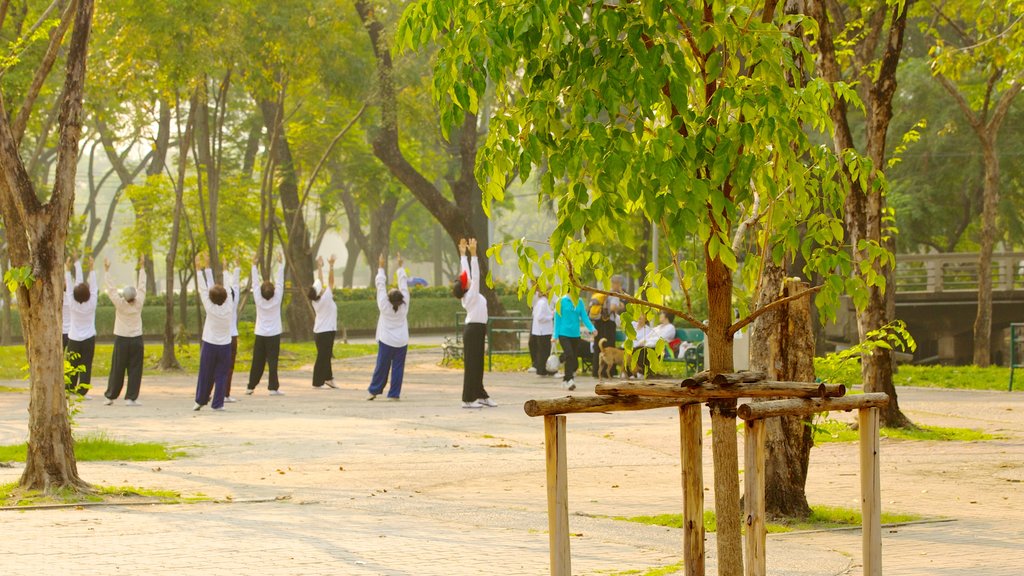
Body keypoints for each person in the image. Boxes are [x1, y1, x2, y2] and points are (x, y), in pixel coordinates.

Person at [453, 238, 496, 408]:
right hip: (473, 330)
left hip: (478, 329)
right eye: (466, 281)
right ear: (465, 287)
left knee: (478, 364)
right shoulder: (471, 295)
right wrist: (474, 255)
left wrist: (463, 254)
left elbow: (467, 274)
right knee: (472, 365)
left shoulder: (468, 293)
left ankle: (480, 394)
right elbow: (475, 276)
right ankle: (468, 399)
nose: (468, 279)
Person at [102, 257, 147, 406]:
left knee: (117, 368)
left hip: (121, 339)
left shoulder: (120, 304)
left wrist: (107, 271)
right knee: (135, 369)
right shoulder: (139, 302)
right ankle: (131, 397)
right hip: (136, 339)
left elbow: (111, 290)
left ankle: (110, 396)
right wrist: (142, 268)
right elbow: (142, 286)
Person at [194, 253, 235, 411]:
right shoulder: (229, 306)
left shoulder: (210, 308)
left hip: (210, 343)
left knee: (206, 372)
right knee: (222, 375)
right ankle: (218, 404)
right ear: (226, 297)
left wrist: (199, 269)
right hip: (224, 345)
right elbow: (228, 288)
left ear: (211, 298)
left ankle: (200, 400)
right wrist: (225, 269)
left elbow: (203, 289)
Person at [367, 252, 410, 401]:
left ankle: (374, 390)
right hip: (401, 341)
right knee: (398, 368)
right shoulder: (405, 305)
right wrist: (400, 267)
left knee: (382, 366)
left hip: (386, 341)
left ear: (389, 298)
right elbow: (403, 283)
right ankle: (394, 394)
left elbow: (380, 285)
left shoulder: (384, 305)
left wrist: (381, 266)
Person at [247, 254, 285, 396]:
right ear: (274, 292)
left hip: (260, 334)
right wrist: (281, 264)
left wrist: (253, 265)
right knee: (273, 362)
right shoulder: (277, 299)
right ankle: (273, 388)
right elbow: (280, 283)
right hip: (274, 334)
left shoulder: (258, 299)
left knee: (257, 361)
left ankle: (250, 386)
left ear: (261, 293)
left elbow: (255, 284)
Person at [204, 264, 241, 403]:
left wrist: (208, 270)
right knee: (227, 369)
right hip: (230, 338)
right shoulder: (232, 303)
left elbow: (209, 288)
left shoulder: (213, 305)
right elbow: (235, 285)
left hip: (213, 339)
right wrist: (231, 269)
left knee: (210, 367)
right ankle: (225, 394)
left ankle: (206, 393)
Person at [66, 256, 97, 397]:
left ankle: (69, 387)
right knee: (86, 365)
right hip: (89, 338)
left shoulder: (72, 304)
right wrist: (91, 269)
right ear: (89, 294)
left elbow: (71, 288)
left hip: (74, 338)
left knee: (72, 364)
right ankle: (82, 390)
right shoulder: (92, 304)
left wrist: (68, 269)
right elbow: (94, 288)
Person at [553, 290, 595, 391]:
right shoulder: (561, 301)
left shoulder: (579, 301)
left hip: (575, 335)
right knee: (569, 354)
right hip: (563, 334)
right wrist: (555, 335)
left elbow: (584, 317)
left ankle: (565, 380)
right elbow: (557, 319)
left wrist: (592, 328)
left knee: (573, 358)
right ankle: (570, 380)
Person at [310, 255, 339, 390]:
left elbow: (321, 281)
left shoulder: (316, 299)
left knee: (325, 356)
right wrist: (331, 266)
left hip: (321, 331)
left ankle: (329, 379)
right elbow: (331, 281)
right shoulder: (326, 298)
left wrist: (320, 267)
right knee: (322, 358)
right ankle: (317, 382)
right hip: (325, 332)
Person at [590, 275, 625, 377]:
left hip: (598, 322)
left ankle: (596, 371)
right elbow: (613, 308)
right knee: (608, 346)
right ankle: (608, 372)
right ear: (616, 283)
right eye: (619, 284)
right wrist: (621, 306)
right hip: (608, 323)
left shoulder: (602, 292)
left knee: (598, 346)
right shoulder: (613, 294)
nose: (620, 287)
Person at [632, 311, 677, 378]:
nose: (660, 315)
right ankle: (643, 372)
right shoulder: (658, 327)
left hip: (661, 350)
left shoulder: (670, 327)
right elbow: (647, 336)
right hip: (650, 347)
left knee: (641, 351)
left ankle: (646, 373)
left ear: (666, 316)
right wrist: (641, 342)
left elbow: (661, 339)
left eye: (661, 314)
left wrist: (646, 342)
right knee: (636, 350)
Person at [528, 288, 556, 376]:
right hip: (543, 331)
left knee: (543, 351)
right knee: (544, 351)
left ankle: (542, 369)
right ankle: (541, 369)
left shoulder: (541, 302)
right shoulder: (543, 303)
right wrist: (551, 316)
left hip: (542, 330)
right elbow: (540, 317)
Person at [62, 257, 73, 350]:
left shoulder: (72, 296)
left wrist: (67, 269)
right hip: (60, 332)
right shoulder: (57, 297)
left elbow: (69, 285)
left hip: (71, 332)